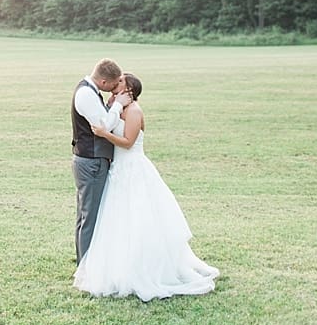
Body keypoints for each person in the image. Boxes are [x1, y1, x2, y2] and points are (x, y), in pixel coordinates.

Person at [73, 73, 219, 301]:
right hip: (118, 169)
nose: (115, 85)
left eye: (120, 82)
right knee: (118, 221)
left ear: (129, 89)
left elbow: (128, 143)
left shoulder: (134, 111)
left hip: (133, 169)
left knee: (139, 218)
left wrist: (103, 133)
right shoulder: (117, 107)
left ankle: (144, 268)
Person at [70, 58, 129, 263]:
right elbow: (104, 126)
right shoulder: (86, 94)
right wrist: (118, 107)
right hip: (91, 161)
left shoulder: (91, 92)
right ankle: (87, 268)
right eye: (113, 86)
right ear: (103, 82)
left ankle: (84, 264)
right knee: (91, 217)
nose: (114, 91)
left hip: (91, 160)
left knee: (86, 215)